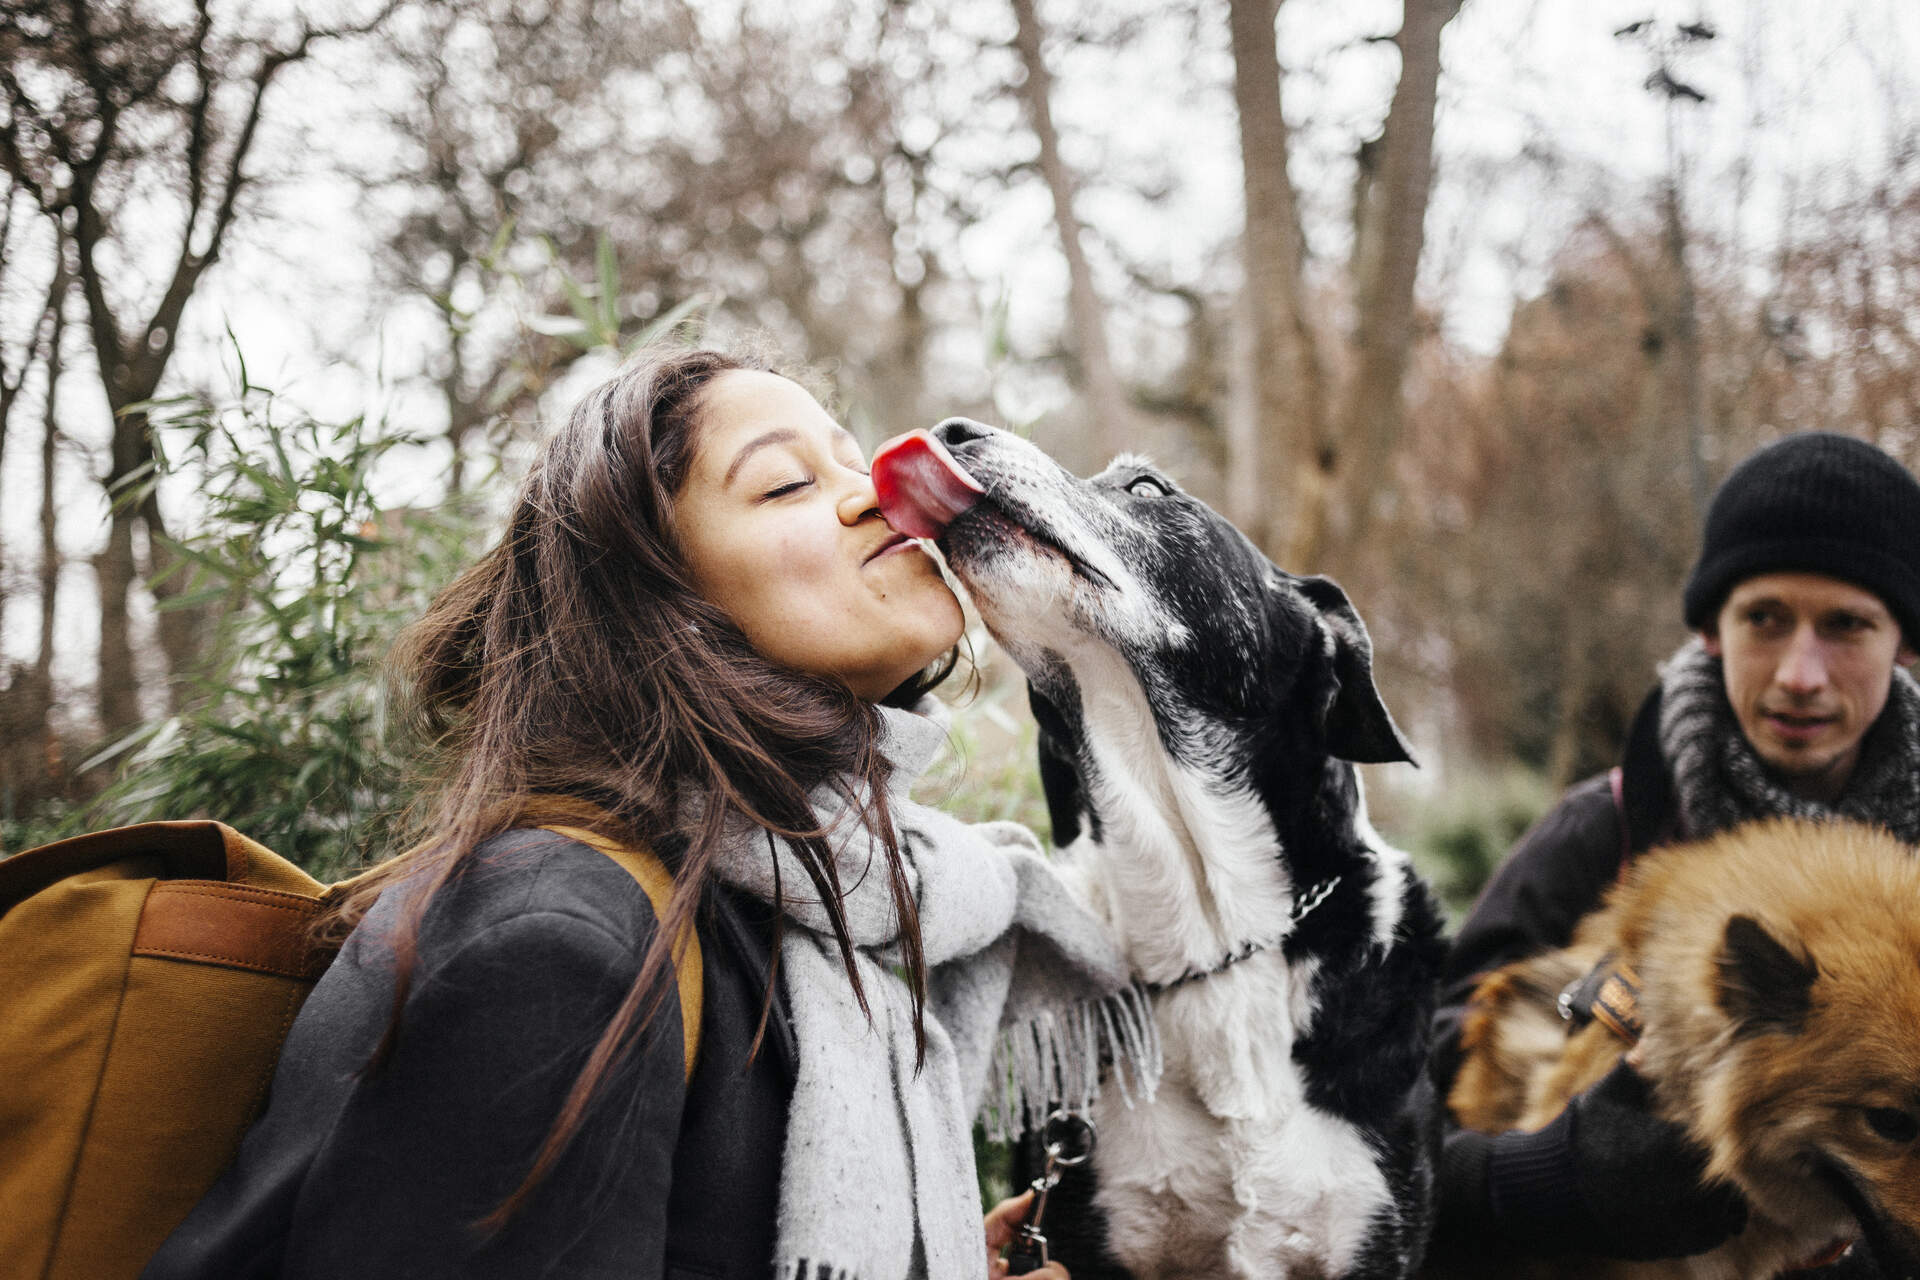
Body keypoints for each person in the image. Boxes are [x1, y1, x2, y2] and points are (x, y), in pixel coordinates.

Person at [141, 348, 1152, 1280]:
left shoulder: (777, 906)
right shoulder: (556, 942)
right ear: (655, 600)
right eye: (787, 481)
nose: (877, 492)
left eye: (851, 458)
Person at [1426, 431, 1920, 1271]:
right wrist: (1555, 1151)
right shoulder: (1601, 826)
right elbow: (1439, 1044)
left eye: (1846, 625)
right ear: (1713, 630)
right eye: (1765, 618)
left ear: (1903, 644)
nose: (1801, 672)